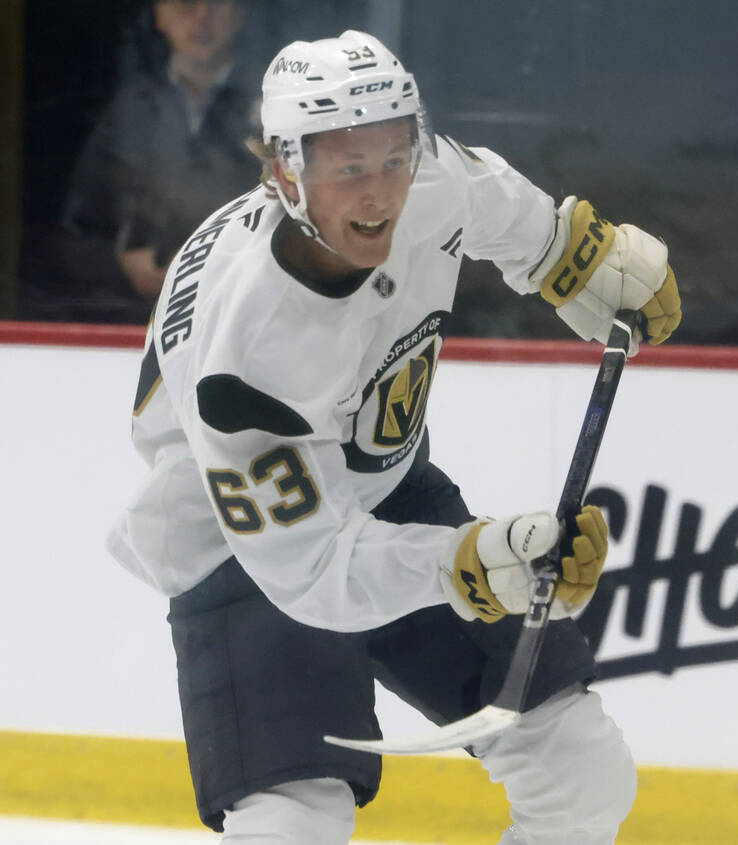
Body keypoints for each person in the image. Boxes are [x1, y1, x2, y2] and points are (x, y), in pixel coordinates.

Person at [106, 29, 681, 845]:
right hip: (241, 542)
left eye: (392, 157)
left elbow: (499, 208)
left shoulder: (427, 176)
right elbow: (311, 572)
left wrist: (578, 259)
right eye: (347, 168)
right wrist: (468, 565)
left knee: (580, 767)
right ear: (284, 172)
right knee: (293, 821)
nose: (379, 193)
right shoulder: (243, 364)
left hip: (384, 482)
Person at [58, 0, 258, 316]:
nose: (202, 17)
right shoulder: (128, 114)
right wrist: (122, 265)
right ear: (159, 15)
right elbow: (75, 238)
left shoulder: (272, 110)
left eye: (217, 3)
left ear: (238, 14)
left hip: (242, 318)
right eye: (186, 4)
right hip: (136, 326)